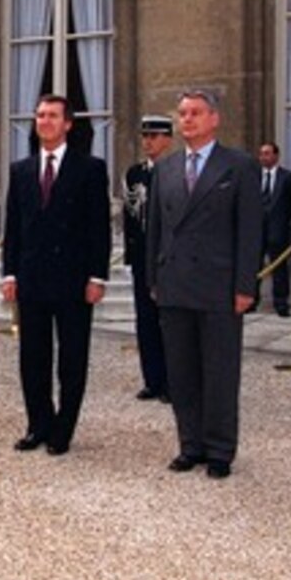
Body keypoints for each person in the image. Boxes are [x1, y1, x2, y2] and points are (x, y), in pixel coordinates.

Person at [146, 89, 262, 480]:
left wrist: (245, 286)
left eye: (196, 113)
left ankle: (219, 450)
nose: (187, 120)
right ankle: (190, 444)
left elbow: (249, 231)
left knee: (219, 371)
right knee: (182, 371)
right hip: (175, 284)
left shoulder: (240, 166)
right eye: (182, 114)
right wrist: (154, 278)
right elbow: (155, 232)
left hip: (219, 286)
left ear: (214, 119)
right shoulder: (166, 167)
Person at [2, 94, 111, 456]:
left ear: (67, 124)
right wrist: (9, 274)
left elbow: (99, 229)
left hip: (73, 280)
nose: (44, 121)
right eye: (39, 115)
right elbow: (13, 228)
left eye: (52, 116)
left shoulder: (90, 169)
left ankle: (63, 429)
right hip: (32, 279)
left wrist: (98, 277)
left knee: (72, 358)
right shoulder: (21, 170)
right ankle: (38, 424)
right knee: (32, 357)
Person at [123, 115, 173, 402]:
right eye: (145, 136)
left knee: (169, 323)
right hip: (142, 258)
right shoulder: (136, 173)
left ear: (168, 139)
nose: (148, 142)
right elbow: (132, 218)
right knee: (145, 321)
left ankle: (171, 383)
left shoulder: (175, 171)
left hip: (167, 260)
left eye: (154, 136)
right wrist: (132, 257)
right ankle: (152, 379)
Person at [257, 141, 291, 317]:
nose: (263, 157)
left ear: (276, 155)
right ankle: (252, 299)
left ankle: (281, 302)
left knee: (279, 267)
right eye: (261, 154)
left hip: (278, 230)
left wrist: (281, 221)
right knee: (254, 266)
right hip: (257, 230)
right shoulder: (253, 176)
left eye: (267, 153)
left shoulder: (288, 177)